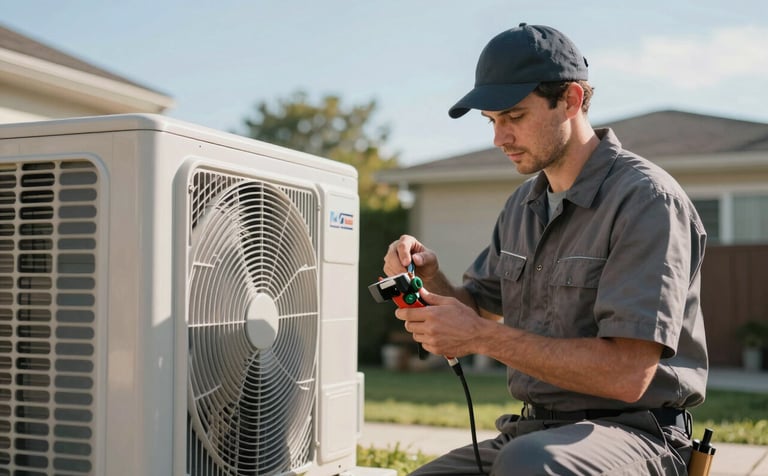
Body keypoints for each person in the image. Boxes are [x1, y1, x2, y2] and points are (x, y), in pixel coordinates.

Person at [382, 23, 708, 475]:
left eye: (514, 117)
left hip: (639, 435)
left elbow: (627, 375)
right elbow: (477, 312)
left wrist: (479, 337)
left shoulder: (646, 200)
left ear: (571, 100)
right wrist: (431, 277)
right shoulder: (523, 205)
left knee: (529, 465)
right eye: (492, 122)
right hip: (533, 433)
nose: (499, 138)